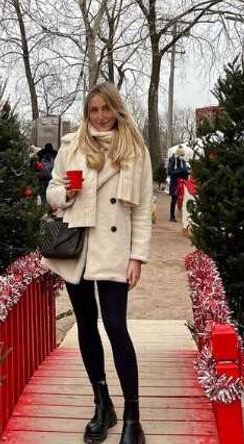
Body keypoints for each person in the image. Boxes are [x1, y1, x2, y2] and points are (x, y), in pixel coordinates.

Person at [44, 82, 153, 444]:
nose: (101, 116)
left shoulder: (134, 148)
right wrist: (66, 193)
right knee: (86, 326)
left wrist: (138, 256)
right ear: (87, 113)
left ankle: (133, 419)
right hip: (79, 248)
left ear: (117, 110)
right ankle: (102, 402)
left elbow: (141, 210)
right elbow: (52, 190)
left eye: (107, 109)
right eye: (94, 110)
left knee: (116, 327)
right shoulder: (73, 144)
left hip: (115, 250)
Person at [165, 144, 190, 222]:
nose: (181, 157)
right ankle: (172, 216)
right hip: (175, 183)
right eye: (181, 155)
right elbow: (169, 172)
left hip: (182, 183)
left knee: (184, 199)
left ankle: (185, 215)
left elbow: (185, 173)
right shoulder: (172, 160)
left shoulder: (183, 161)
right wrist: (180, 171)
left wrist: (185, 172)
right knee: (174, 199)